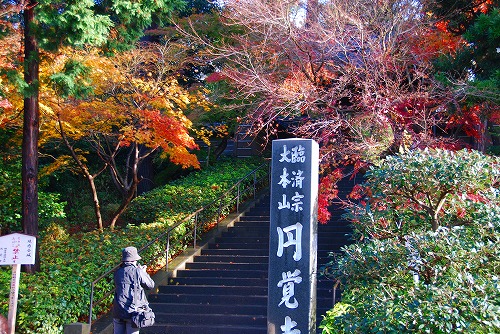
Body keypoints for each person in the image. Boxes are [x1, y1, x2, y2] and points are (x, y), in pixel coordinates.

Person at [113, 246, 155, 334]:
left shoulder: (118, 272)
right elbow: (150, 285)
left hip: (118, 310)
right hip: (132, 311)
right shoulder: (137, 271)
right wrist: (143, 272)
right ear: (134, 260)